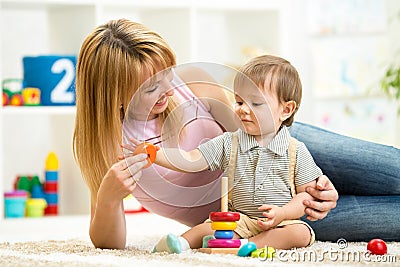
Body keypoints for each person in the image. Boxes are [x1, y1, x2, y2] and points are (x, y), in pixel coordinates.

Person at [72, 18, 396, 250]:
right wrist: (109, 199)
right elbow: (107, 245)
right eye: (152, 87)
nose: (170, 87)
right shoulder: (109, 147)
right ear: (112, 94)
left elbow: (246, 130)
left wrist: (304, 188)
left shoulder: (194, 84)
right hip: (253, 220)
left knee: (392, 169)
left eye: (168, 73)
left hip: (288, 157)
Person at [146, 54, 323, 253]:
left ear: (286, 110)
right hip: (239, 219)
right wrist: (156, 155)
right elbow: (193, 158)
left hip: (282, 221)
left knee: (300, 233)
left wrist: (282, 213)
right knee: (210, 226)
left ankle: (250, 246)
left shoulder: (296, 150)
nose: (243, 110)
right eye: (239, 102)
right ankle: (179, 243)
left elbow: (306, 198)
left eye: (255, 104)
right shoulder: (229, 142)